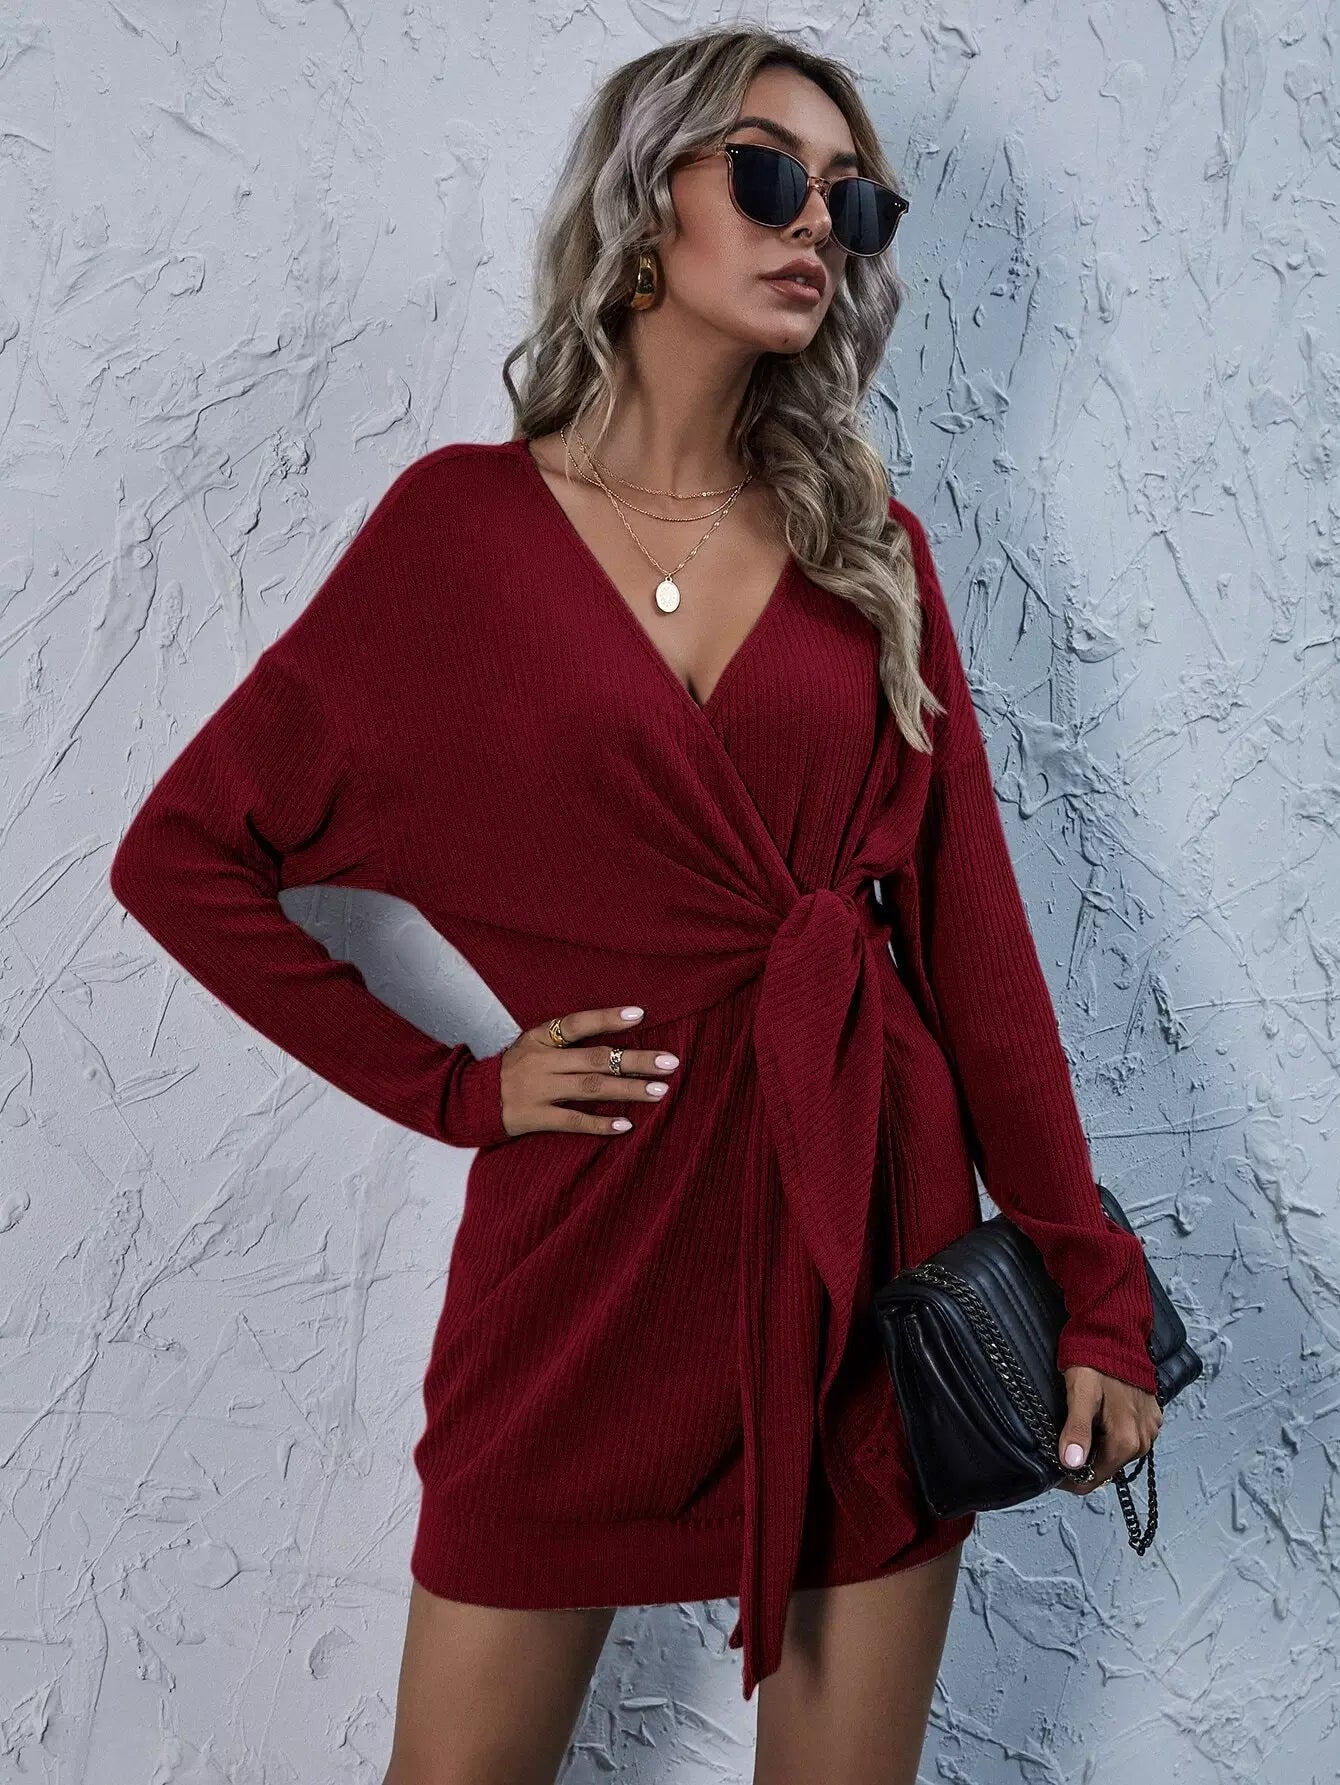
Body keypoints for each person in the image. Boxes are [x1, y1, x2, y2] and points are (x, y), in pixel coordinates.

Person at [107, 24, 1163, 1785]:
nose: (815, 222)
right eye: (769, 173)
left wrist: (1095, 1286)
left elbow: (978, 955)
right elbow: (182, 855)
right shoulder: (456, 537)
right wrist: (455, 1089)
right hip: (587, 1250)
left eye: (852, 201)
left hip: (867, 1243)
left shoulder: (871, 553)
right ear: (640, 197)